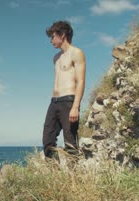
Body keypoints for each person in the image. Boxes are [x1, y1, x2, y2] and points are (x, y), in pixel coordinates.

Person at [43, 21, 86, 159]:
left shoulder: (76, 53)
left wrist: (75, 107)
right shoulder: (56, 58)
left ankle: (74, 176)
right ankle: (54, 173)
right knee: (48, 139)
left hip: (69, 100)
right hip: (54, 102)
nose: (51, 41)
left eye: (53, 36)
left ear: (62, 35)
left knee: (70, 141)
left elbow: (80, 81)